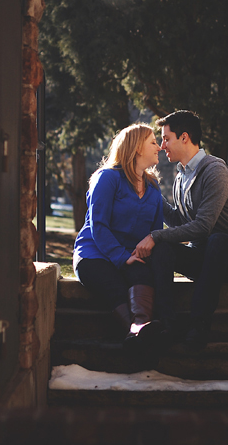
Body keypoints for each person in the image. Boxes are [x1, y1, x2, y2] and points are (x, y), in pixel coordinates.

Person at [133, 110, 228, 349]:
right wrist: (151, 193)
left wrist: (154, 235)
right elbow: (182, 222)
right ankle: (167, 325)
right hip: (204, 257)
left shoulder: (215, 171)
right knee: (163, 249)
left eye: (166, 139)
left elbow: (202, 227)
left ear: (185, 137)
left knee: (216, 241)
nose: (162, 146)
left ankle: (198, 327)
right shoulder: (181, 176)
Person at [73, 123, 165, 352]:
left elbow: (153, 230)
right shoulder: (107, 178)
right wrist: (122, 257)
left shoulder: (153, 188)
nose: (160, 147)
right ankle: (134, 331)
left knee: (142, 274)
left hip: (131, 255)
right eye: (153, 142)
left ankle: (142, 327)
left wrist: (145, 253)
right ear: (136, 148)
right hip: (95, 253)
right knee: (114, 285)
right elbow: (99, 225)